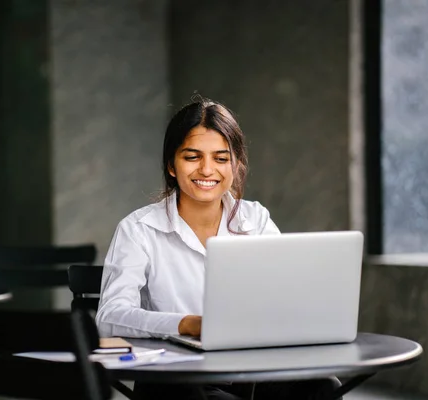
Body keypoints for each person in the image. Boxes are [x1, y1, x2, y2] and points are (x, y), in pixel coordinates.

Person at [95, 98, 342, 399]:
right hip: (176, 378)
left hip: (252, 369)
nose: (207, 169)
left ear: (236, 165)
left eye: (221, 158)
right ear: (171, 165)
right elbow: (110, 317)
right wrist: (186, 324)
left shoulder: (256, 219)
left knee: (323, 387)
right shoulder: (139, 230)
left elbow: (285, 296)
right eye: (192, 157)